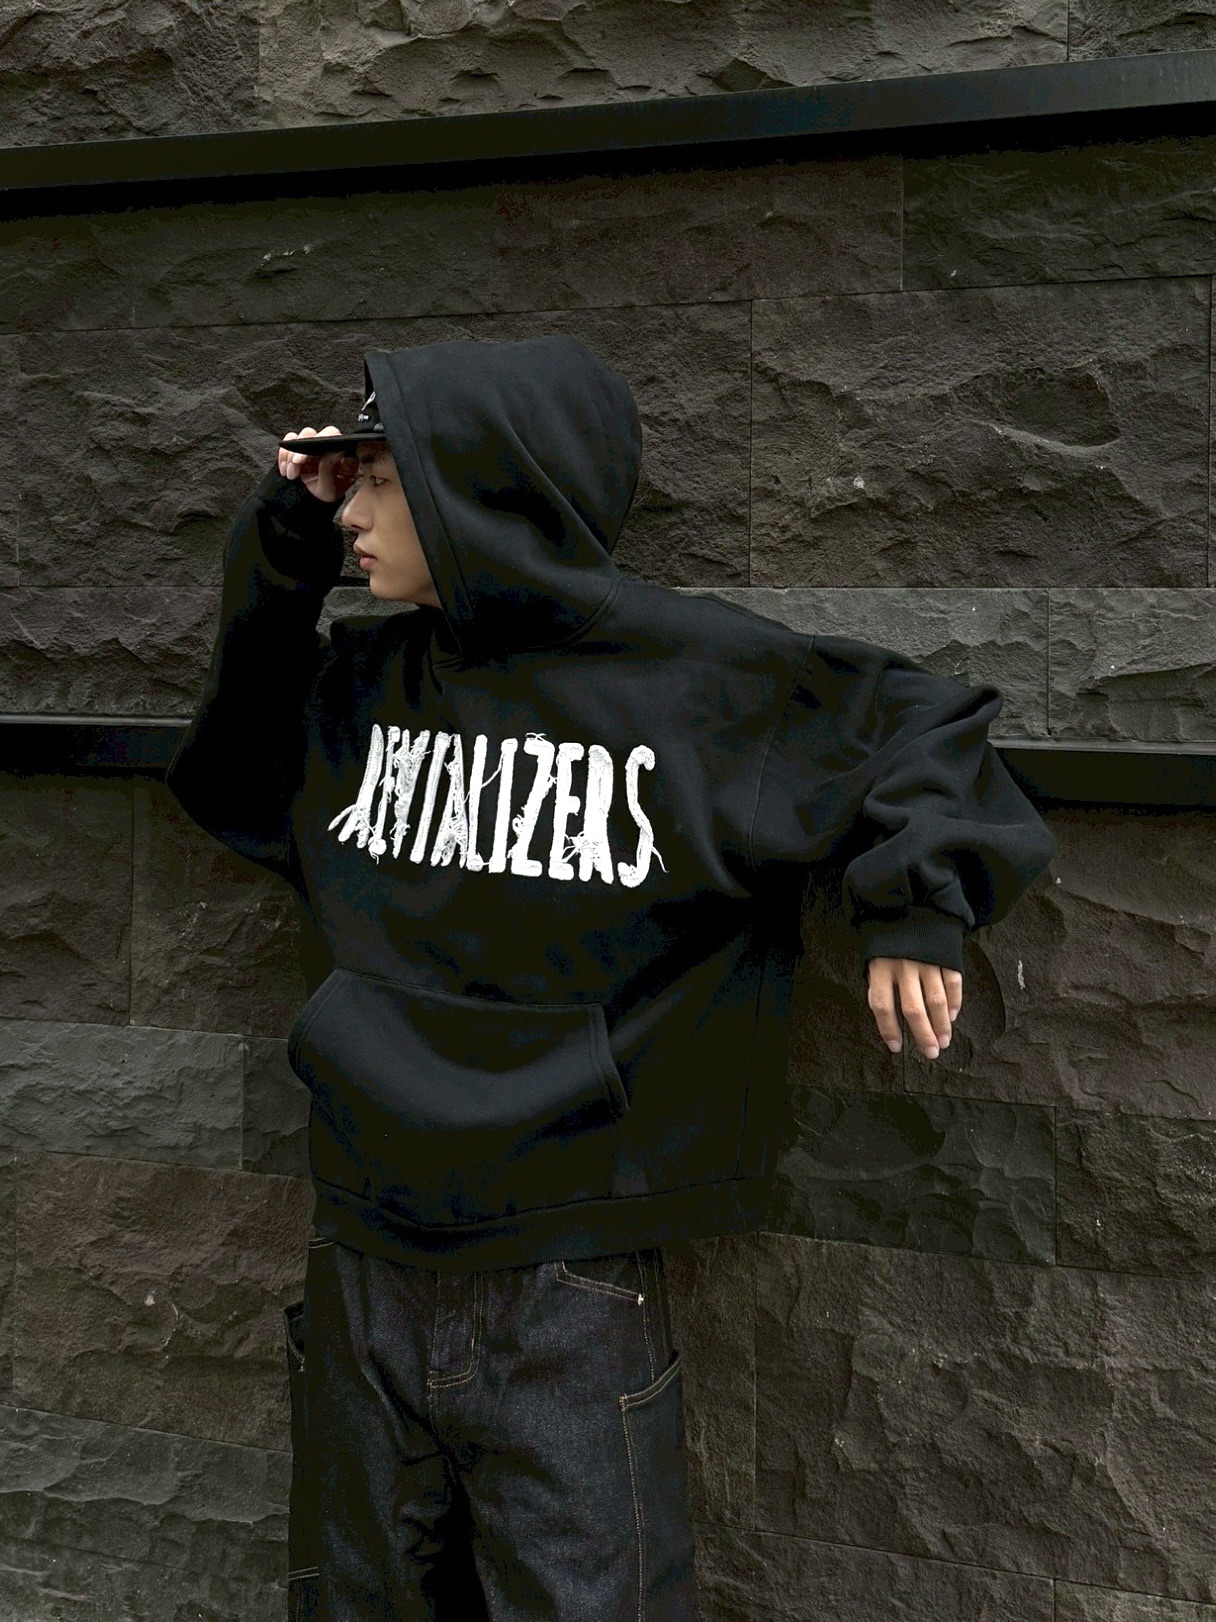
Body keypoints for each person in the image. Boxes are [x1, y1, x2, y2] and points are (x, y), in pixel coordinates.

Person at [165, 334, 1058, 1621]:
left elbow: (919, 725)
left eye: (384, 483)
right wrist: (284, 535)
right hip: (358, 1247)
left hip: (568, 1274)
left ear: (482, 489)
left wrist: (916, 904)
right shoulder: (360, 685)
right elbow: (231, 764)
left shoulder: (692, 680)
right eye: (349, 485)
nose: (353, 512)